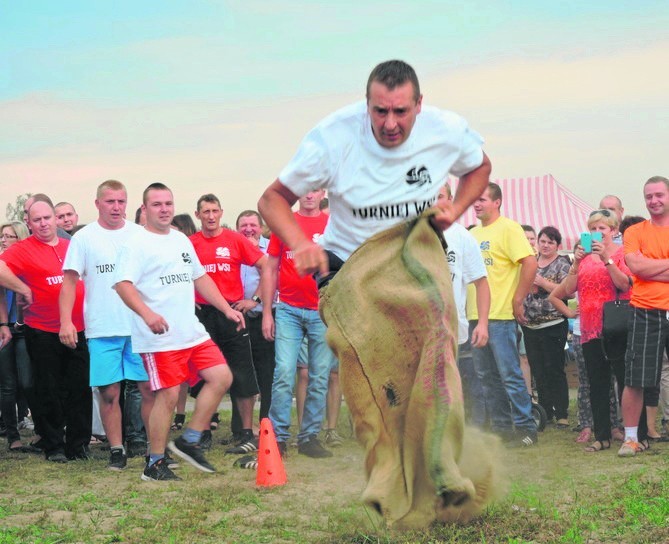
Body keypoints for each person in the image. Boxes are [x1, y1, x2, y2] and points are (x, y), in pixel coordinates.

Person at [259, 60, 492, 525]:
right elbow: (272, 200)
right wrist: (302, 243)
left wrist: (458, 209)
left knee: (438, 350)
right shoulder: (332, 138)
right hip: (352, 264)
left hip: (416, 249)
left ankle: (442, 464)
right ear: (366, 105)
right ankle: (387, 472)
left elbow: (481, 167)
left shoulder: (446, 130)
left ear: (419, 106)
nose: (390, 123)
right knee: (366, 370)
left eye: (401, 111)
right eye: (379, 111)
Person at [113, 183, 243, 481]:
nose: (164, 209)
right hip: (161, 338)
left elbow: (200, 277)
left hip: (191, 332)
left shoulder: (181, 241)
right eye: (157, 204)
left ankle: (190, 439)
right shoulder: (136, 243)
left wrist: (226, 308)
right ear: (145, 209)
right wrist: (148, 314)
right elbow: (122, 284)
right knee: (168, 395)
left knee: (221, 377)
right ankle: (154, 463)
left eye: (168, 203)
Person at [59, 180, 155, 471]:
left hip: (138, 327)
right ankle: (116, 449)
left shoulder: (141, 235)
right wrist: (66, 322)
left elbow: (154, 277)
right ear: (98, 203)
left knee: (148, 391)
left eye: (121, 201)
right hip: (102, 328)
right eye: (110, 202)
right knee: (109, 392)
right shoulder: (84, 238)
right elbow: (69, 283)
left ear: (128, 204)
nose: (116, 207)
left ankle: (155, 447)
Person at [0, 200, 91, 462]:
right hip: (42, 329)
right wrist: (22, 288)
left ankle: (79, 444)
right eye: (37, 220)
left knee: (79, 387)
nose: (43, 224)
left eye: (47, 218)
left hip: (78, 327)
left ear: (55, 219)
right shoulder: (22, 249)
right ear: (28, 223)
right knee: (47, 388)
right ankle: (54, 445)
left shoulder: (70, 245)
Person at [261, 189, 337, 458]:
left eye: (314, 189)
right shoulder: (285, 223)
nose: (308, 195)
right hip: (289, 310)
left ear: (322, 193)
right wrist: (267, 312)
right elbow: (270, 267)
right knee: (283, 372)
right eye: (304, 189)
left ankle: (309, 438)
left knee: (319, 376)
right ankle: (278, 437)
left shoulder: (332, 225)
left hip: (323, 312)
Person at [549, 210, 632, 453]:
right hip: (589, 327)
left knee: (624, 382)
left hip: (615, 326)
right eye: (592, 228)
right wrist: (575, 262)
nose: (597, 233)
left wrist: (606, 259)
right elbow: (569, 289)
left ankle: (631, 433)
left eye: (602, 228)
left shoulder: (621, 254)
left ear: (613, 231)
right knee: (597, 383)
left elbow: (624, 284)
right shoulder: (583, 258)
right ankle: (602, 436)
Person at [190, 194, 265, 454]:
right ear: (197, 215)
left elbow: (268, 266)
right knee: (203, 374)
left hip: (233, 313)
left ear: (221, 212)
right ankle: (204, 431)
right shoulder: (190, 244)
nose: (210, 216)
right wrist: (188, 297)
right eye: (205, 211)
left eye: (214, 211)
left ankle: (245, 433)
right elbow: (174, 274)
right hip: (203, 316)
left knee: (242, 372)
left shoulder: (235, 240)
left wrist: (254, 299)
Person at [467, 183, 539, 446]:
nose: (476, 204)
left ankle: (525, 428)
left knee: (509, 374)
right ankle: (501, 428)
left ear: (497, 202)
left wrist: (518, 298)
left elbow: (529, 262)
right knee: (486, 376)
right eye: (474, 199)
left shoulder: (509, 228)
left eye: (482, 199)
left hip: (500, 315)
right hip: (475, 314)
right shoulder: (472, 233)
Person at [619, 176, 669, 456]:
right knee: (636, 378)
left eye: (659, 195)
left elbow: (644, 267)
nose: (654, 201)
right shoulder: (635, 231)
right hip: (645, 310)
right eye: (649, 196)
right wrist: (645, 268)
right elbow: (635, 267)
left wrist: (650, 268)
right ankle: (630, 438)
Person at [437, 183, 490, 425]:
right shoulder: (408, 234)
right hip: (414, 327)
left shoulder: (461, 237)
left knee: (448, 385)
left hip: (451, 326)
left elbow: (481, 283)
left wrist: (482, 323)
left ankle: (450, 433)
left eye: (438, 196)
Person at [521, 226, 571, 427]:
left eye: (550, 242)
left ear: (557, 245)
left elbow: (568, 291)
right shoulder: (530, 262)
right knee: (538, 370)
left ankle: (562, 413)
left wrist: (542, 282)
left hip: (554, 323)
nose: (545, 245)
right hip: (531, 325)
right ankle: (545, 411)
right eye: (543, 241)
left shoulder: (562, 263)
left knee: (555, 369)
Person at [0, 221, 35, 452]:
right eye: (2, 236)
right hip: (5, 326)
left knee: (28, 382)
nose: (3, 240)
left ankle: (41, 431)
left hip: (27, 327)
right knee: (7, 385)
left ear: (20, 238)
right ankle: (13, 436)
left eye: (9, 236)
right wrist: (4, 324)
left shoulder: (28, 261)